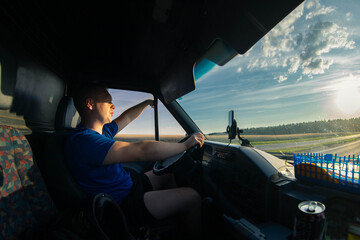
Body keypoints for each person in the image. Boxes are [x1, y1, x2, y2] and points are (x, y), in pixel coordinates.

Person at [65, 83, 204, 239]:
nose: (113, 106)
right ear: (90, 104)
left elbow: (127, 117)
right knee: (192, 197)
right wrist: (185, 145)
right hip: (122, 203)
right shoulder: (84, 141)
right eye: (108, 101)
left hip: (128, 185)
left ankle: (173, 217)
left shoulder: (102, 131)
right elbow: (141, 151)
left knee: (168, 172)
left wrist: (146, 103)